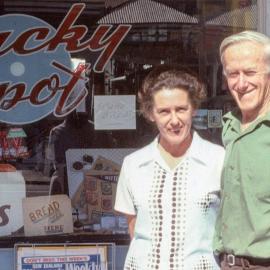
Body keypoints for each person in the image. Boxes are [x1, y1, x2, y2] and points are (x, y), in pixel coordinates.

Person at [115, 67, 225, 269]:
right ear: (150, 114)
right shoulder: (133, 164)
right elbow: (135, 232)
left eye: (181, 109)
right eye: (164, 111)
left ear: (193, 108)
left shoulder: (219, 159)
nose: (174, 120)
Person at [214, 30, 270, 269]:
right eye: (232, 74)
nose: (241, 83)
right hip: (228, 263)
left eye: (249, 72)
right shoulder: (230, 127)